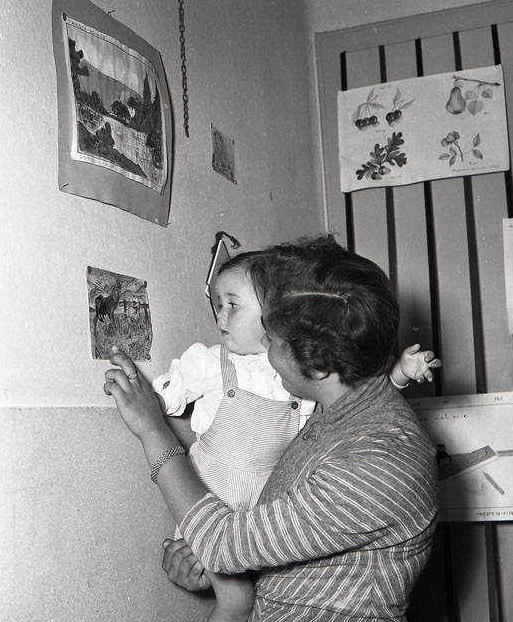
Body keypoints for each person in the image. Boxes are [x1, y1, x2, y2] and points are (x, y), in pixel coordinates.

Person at [104, 234, 439, 621]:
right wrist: (213, 573)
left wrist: (152, 430)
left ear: (316, 366)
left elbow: (223, 543)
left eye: (272, 340)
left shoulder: (378, 464)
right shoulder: (343, 412)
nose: (263, 348)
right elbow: (275, 541)